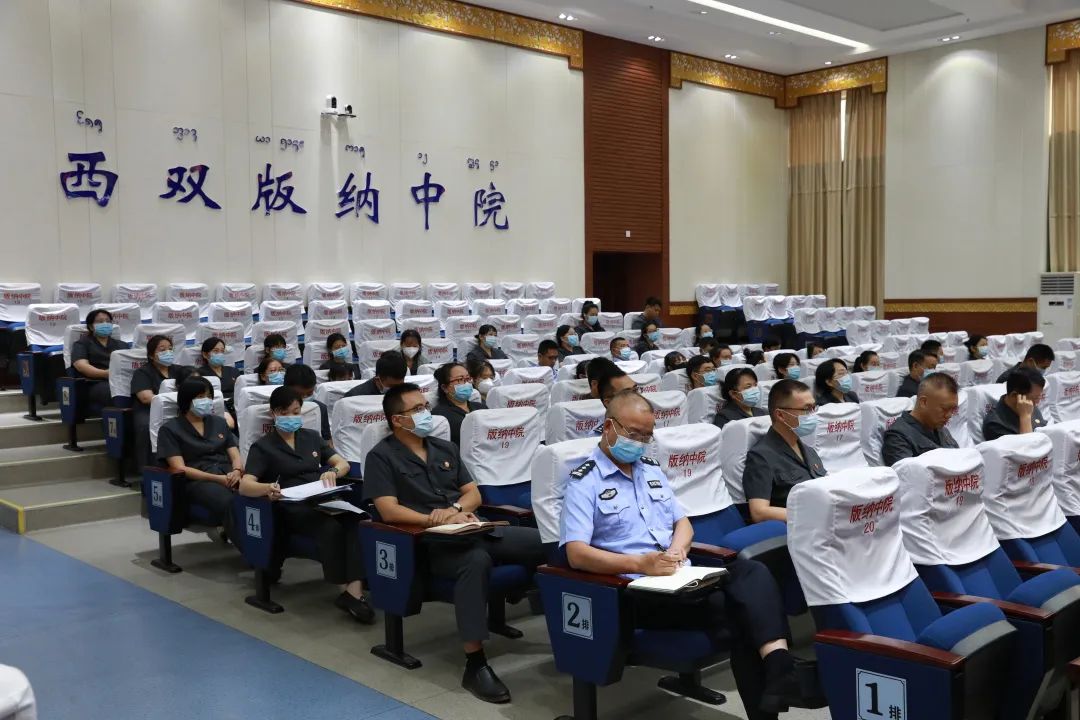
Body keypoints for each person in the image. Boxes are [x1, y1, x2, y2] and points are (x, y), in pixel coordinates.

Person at [561, 390, 805, 715]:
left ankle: (778, 667)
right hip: (635, 593)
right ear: (609, 427)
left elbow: (683, 523)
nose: (640, 443)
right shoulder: (584, 482)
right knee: (745, 616)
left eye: (647, 436)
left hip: (682, 580)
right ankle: (780, 670)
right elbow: (576, 554)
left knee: (752, 570)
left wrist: (677, 548)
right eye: (634, 434)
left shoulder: (649, 469)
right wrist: (641, 564)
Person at [363, 384, 545, 704]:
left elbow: (473, 493)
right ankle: (475, 664)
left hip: (474, 529)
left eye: (425, 406)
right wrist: (434, 520)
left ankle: (557, 625)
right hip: (430, 544)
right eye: (416, 409)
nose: (426, 413)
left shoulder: (444, 448)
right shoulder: (381, 456)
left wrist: (456, 510)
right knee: (476, 561)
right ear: (397, 420)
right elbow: (388, 510)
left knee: (547, 543)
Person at [239, 387, 373, 623]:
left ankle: (354, 592)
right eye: (284, 413)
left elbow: (341, 463)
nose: (291, 417)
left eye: (295, 412)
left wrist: (332, 472)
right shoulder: (263, 446)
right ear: (273, 413)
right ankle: (344, 589)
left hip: (321, 497)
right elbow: (245, 485)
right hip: (290, 506)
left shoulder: (310, 436)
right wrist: (267, 488)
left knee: (357, 521)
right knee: (330, 528)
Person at [157, 377, 243, 538]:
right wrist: (218, 479)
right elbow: (179, 468)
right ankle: (249, 547)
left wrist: (237, 471)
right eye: (200, 397)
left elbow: (234, 453)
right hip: (197, 481)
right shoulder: (169, 429)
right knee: (229, 501)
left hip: (228, 473)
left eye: (209, 396)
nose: (207, 400)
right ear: (187, 400)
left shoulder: (219, 422)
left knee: (256, 493)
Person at [742, 380, 827, 523]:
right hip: (796, 527)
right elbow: (759, 512)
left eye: (814, 408)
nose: (813, 414)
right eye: (807, 409)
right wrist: (809, 516)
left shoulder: (809, 450)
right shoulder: (761, 456)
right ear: (781, 415)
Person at [881, 374, 960, 466]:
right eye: (945, 409)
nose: (949, 415)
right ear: (924, 402)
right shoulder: (898, 437)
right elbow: (906, 473)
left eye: (953, 409)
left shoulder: (940, 428)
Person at [131, 334, 183, 470]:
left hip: (178, 408)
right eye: (162, 349)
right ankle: (147, 469)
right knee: (145, 426)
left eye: (170, 349)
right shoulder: (142, 372)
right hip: (148, 410)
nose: (168, 352)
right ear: (151, 355)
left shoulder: (179, 370)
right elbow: (145, 397)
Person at [70, 308, 126, 408]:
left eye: (108, 321)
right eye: (100, 321)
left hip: (120, 381)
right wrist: (105, 374)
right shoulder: (82, 344)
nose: (105, 324)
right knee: (115, 392)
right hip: (95, 383)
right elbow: (81, 366)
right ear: (91, 327)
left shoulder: (122, 345)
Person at [983, 367, 1047, 441]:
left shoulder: (1029, 404)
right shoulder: (995, 424)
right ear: (1014, 395)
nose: (1037, 403)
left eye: (1039, 397)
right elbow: (1027, 447)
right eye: (1035, 398)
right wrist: (1025, 417)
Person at [432, 362, 486, 446]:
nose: (466, 383)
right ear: (444, 387)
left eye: (467, 378)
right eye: (460, 379)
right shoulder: (439, 416)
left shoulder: (481, 407)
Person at [284, 364, 330, 443]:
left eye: (309, 393)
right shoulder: (277, 408)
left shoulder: (320, 408)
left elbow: (327, 440)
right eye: (299, 394)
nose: (304, 397)